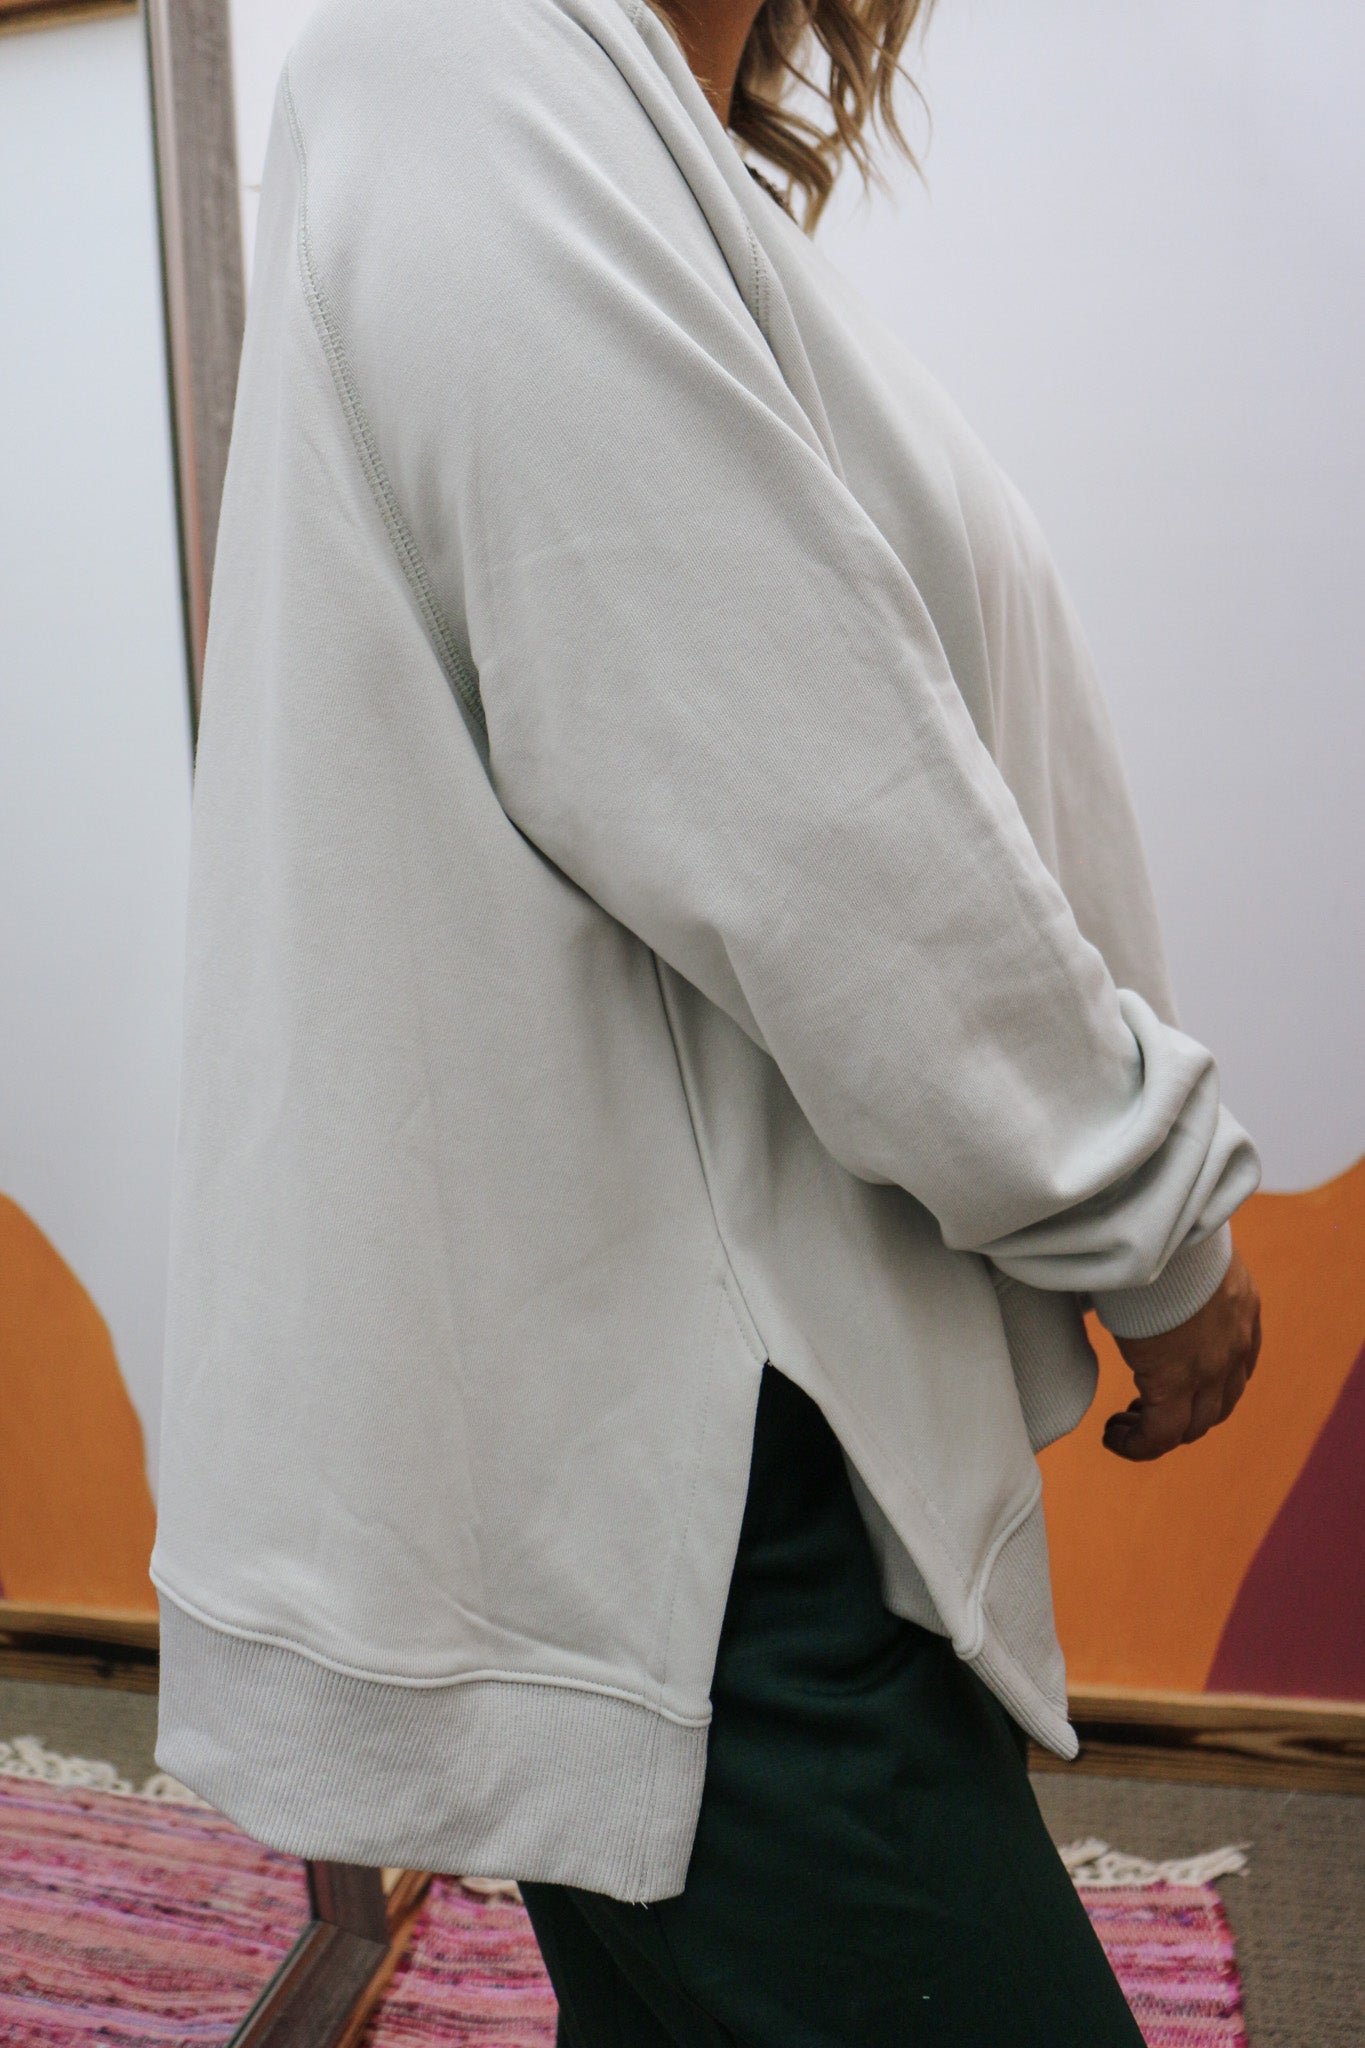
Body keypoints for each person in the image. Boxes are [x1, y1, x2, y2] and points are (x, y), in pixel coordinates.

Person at [150, 0, 1263, 2040]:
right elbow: (810, 805)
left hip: (733, 1399)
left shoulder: (607, 129)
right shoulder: (459, 67)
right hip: (693, 1467)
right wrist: (1142, 1215)